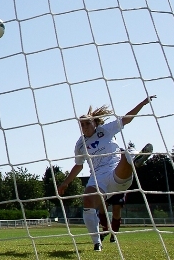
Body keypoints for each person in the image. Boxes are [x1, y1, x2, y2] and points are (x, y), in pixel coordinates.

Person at [57, 96, 156, 251]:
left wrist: (142, 104)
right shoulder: (80, 144)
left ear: (95, 123)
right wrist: (66, 182)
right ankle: (97, 242)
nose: (85, 127)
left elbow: (126, 119)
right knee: (87, 201)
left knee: (127, 151)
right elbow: (78, 166)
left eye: (87, 123)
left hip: (116, 171)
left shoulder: (106, 130)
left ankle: (135, 160)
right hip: (98, 178)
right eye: (82, 125)